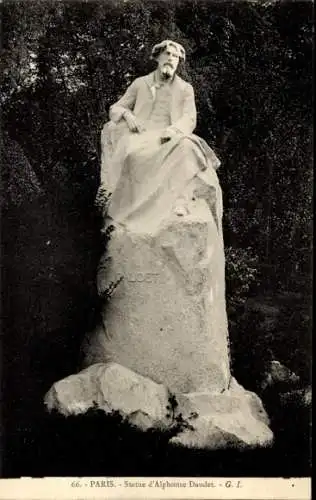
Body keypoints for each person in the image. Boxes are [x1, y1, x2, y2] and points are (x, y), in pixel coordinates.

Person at [99, 39, 222, 234]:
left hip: (170, 135)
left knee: (188, 148)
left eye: (175, 57)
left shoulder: (185, 89)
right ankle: (125, 216)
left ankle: (180, 200)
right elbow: (116, 107)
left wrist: (174, 130)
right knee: (133, 157)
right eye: (167, 55)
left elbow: (189, 118)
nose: (171, 59)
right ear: (157, 58)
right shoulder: (141, 84)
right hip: (143, 135)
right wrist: (128, 115)